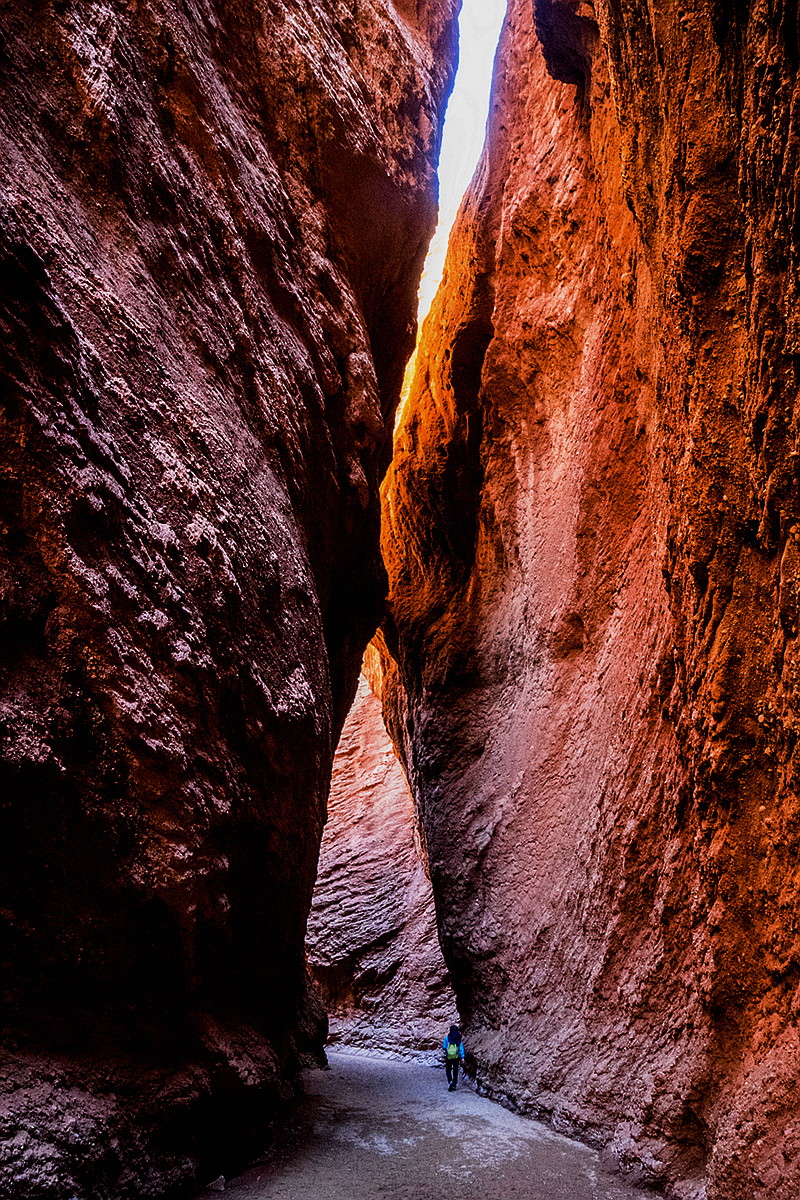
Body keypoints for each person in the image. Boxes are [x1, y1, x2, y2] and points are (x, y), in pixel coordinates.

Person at [443, 1024, 464, 1091]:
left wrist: (447, 1051)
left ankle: (450, 1081)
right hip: (456, 1057)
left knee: (448, 1069)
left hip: (448, 1056)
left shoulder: (447, 1037)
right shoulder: (458, 1038)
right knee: (455, 1070)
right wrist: (462, 1057)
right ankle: (454, 1084)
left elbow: (444, 1047)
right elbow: (461, 1048)